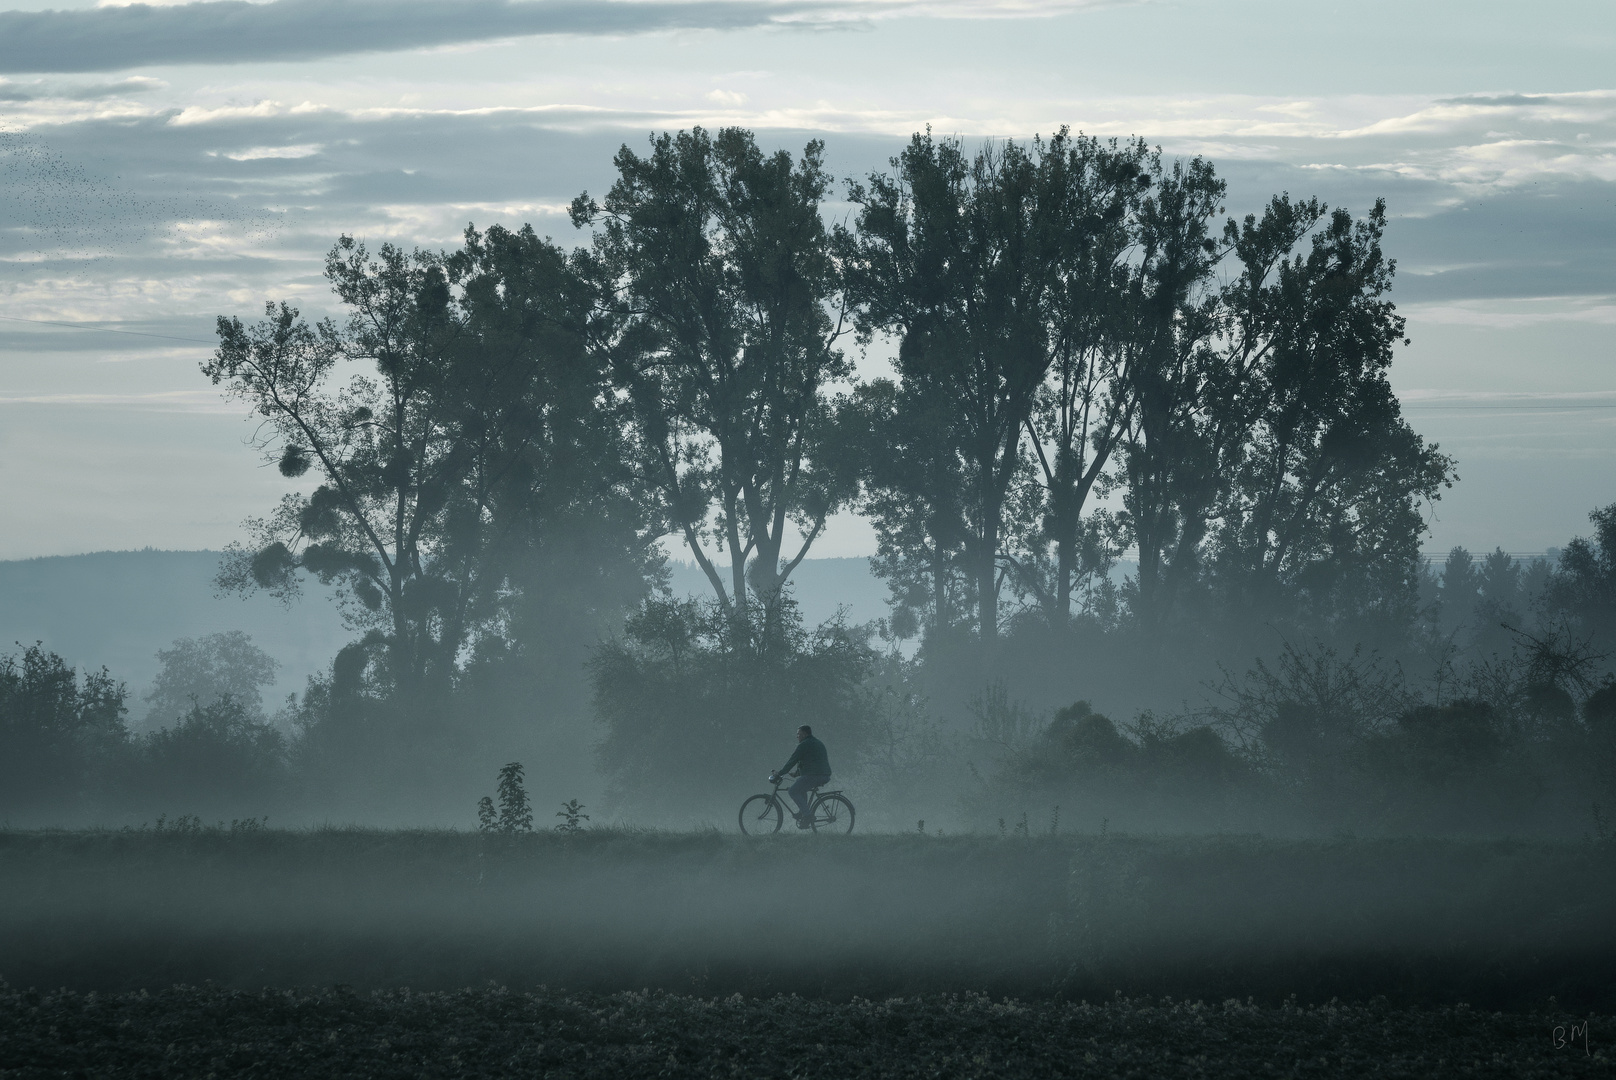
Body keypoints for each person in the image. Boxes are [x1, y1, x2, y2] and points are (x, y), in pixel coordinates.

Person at [774, 725, 831, 829]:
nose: (797, 737)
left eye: (798, 734)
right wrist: (797, 774)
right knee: (801, 789)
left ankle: (808, 816)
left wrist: (780, 773)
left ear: (804, 734)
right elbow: (813, 762)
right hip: (824, 775)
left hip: (814, 776)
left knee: (793, 791)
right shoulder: (818, 743)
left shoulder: (804, 745)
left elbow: (792, 760)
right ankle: (803, 813)